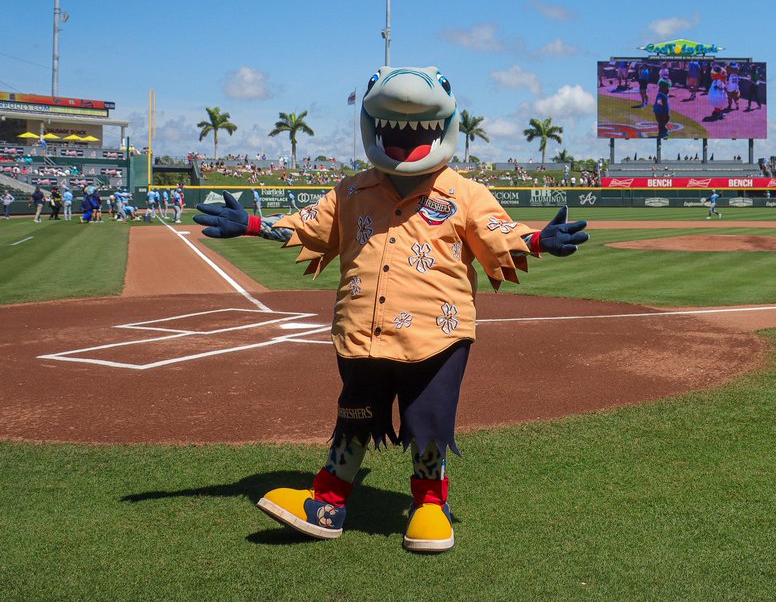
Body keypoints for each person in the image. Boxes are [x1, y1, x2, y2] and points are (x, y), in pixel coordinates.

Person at [194, 65, 588, 553]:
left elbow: (498, 235)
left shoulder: (463, 193)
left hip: (437, 338)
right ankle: (329, 502)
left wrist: (539, 240)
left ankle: (429, 506)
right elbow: (310, 227)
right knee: (355, 416)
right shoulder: (352, 191)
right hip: (363, 331)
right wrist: (253, 222)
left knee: (427, 423)